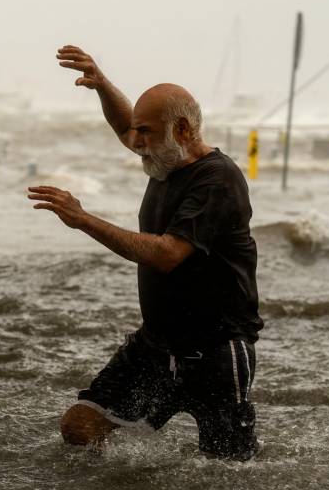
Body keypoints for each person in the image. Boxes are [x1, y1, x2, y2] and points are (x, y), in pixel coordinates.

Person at [27, 45, 264, 460]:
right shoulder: (163, 159)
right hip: (156, 346)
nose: (136, 142)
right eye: (138, 132)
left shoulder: (217, 179)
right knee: (80, 426)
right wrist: (102, 85)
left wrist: (84, 220)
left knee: (228, 472)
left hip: (217, 352)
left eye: (147, 133)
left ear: (185, 131)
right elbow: (126, 127)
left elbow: (167, 253)